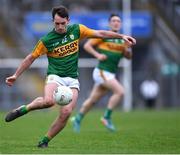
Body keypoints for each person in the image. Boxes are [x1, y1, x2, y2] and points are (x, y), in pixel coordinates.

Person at [5, 6, 136, 148]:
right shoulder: (47, 40)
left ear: (68, 20)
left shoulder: (77, 30)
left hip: (72, 79)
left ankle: (44, 141)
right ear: (53, 22)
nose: (60, 26)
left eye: (63, 23)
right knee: (49, 102)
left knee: (66, 112)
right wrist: (15, 75)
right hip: (55, 76)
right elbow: (30, 58)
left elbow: (100, 33)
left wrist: (121, 36)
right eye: (57, 23)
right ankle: (26, 108)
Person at [71, 14, 133, 132]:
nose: (116, 23)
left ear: (120, 24)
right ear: (109, 23)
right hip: (102, 71)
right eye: (114, 21)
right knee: (120, 91)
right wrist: (98, 55)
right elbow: (87, 46)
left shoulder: (123, 40)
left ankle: (77, 118)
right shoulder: (105, 36)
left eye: (118, 21)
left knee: (92, 100)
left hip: (110, 73)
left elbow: (128, 57)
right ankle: (106, 117)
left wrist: (128, 48)